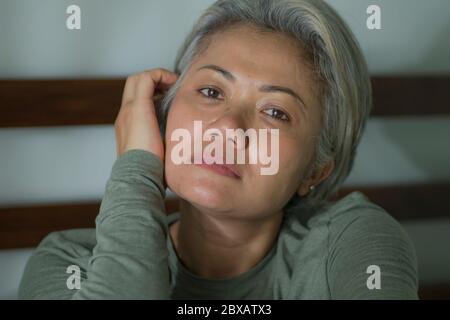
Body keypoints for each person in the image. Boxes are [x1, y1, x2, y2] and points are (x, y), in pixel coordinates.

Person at [18, 0, 418, 299]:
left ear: (316, 170)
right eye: (211, 91)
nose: (227, 127)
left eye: (275, 112)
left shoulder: (353, 244)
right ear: (164, 114)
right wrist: (137, 167)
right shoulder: (68, 263)